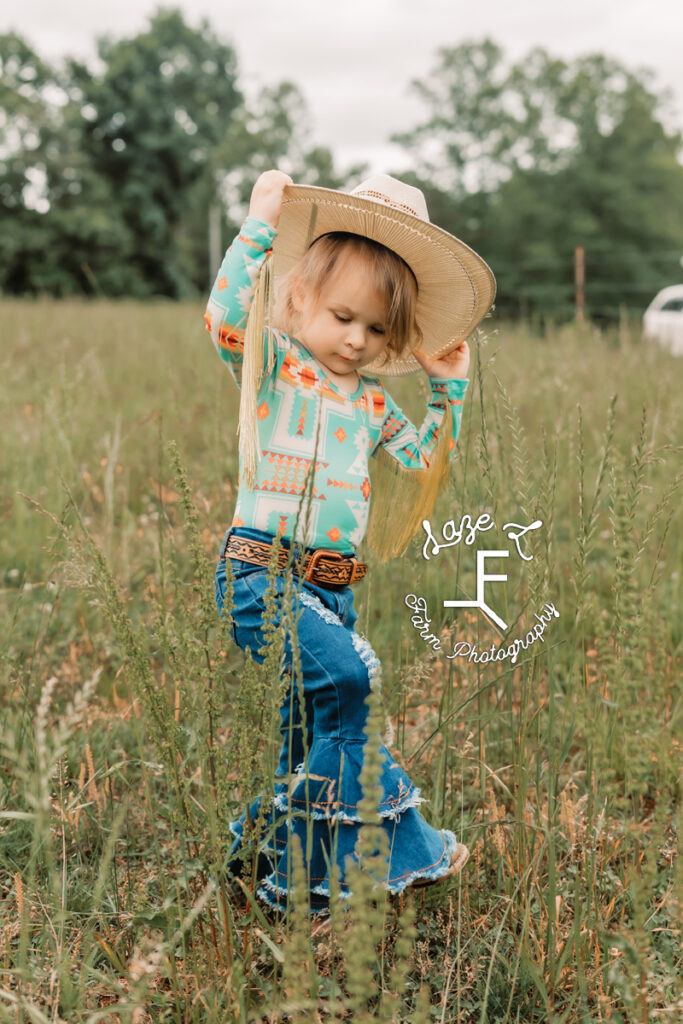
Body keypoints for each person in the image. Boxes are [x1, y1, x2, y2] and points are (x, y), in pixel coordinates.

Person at [206, 169, 495, 917]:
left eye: (376, 330)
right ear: (298, 297)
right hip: (259, 578)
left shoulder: (369, 402)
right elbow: (225, 323)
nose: (356, 340)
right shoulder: (273, 367)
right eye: (342, 317)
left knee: (308, 737)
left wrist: (446, 392)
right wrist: (257, 227)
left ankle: (260, 854)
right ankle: (348, 866)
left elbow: (423, 461)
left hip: (329, 590)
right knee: (351, 685)